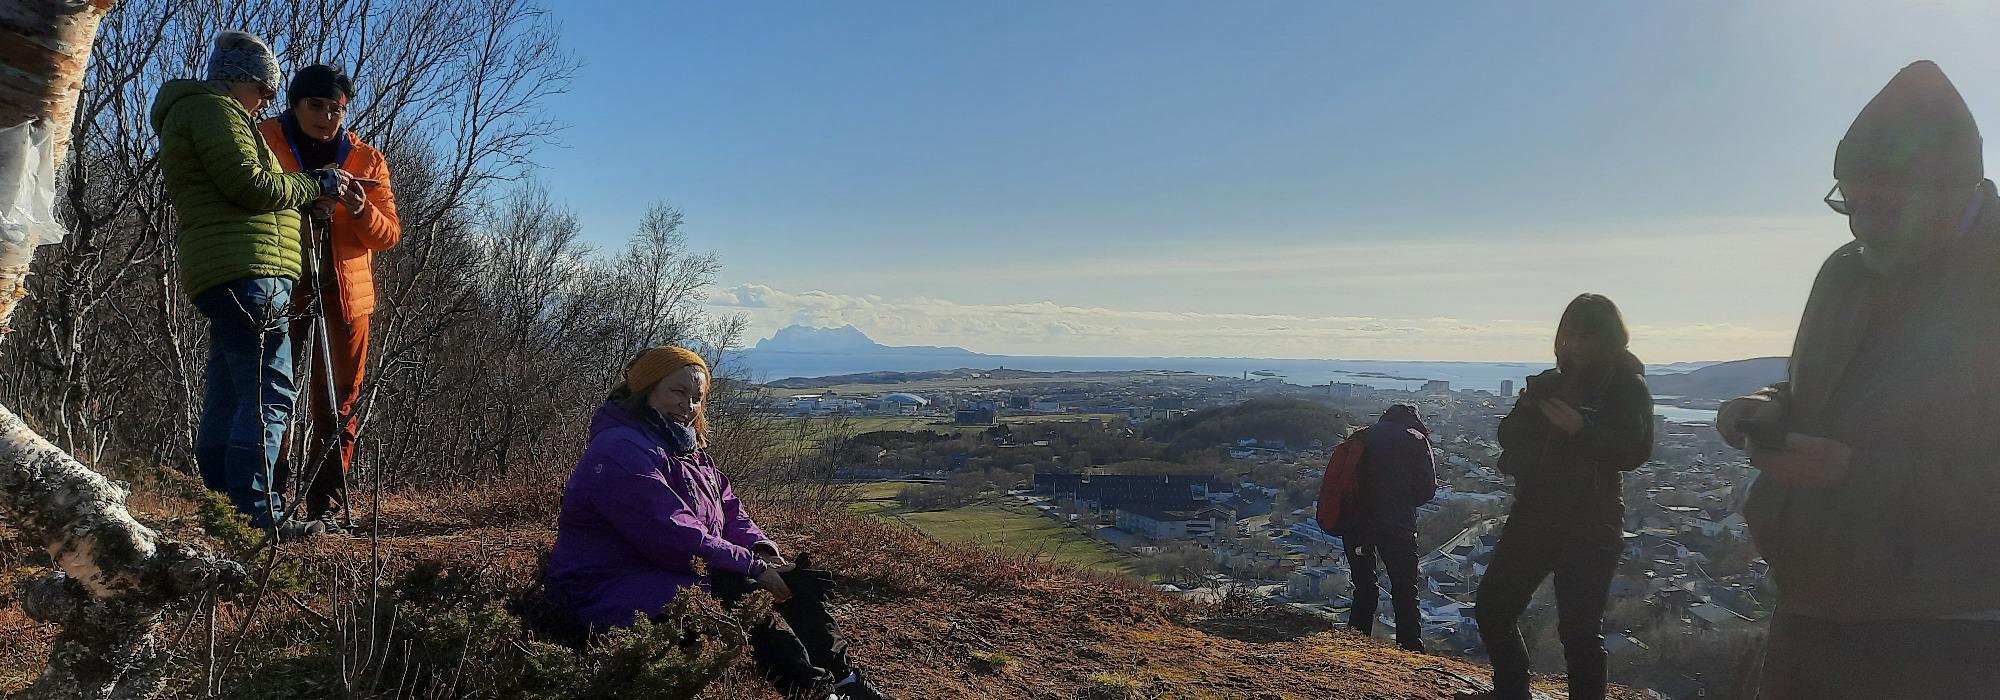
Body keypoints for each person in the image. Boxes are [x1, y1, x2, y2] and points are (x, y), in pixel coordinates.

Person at [1716, 60, 2000, 699]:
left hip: (1951, 624)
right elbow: (1813, 391)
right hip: (1817, 596)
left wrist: (1854, 472)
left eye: (1881, 203)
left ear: (1953, 189)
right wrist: (1766, 409)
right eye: (1847, 200)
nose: (1857, 223)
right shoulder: (1844, 271)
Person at [543, 346, 896, 700]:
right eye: (678, 392)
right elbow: (671, 534)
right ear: (645, 389)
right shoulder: (619, 451)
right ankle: (810, 690)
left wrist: (760, 550)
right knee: (749, 596)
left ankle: (845, 680)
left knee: (795, 586)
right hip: (608, 586)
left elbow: (729, 510)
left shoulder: (685, 448)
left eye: (697, 397)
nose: (689, 406)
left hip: (672, 573)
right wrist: (752, 568)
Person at [152, 31, 358, 539]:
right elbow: (252, 185)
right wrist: (317, 184)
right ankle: (257, 515)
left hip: (226, 271)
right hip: (249, 270)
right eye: (264, 89)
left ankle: (224, 510)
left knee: (229, 391)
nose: (266, 100)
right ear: (239, 79)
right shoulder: (217, 113)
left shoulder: (201, 114)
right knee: (270, 392)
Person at [1463, 294, 1652, 700]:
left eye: (1589, 336)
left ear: (1609, 338)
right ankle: (1511, 691)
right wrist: (1530, 409)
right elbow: (1507, 434)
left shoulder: (1626, 385)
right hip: (1535, 511)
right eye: (1571, 336)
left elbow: (1635, 451)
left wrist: (1582, 431)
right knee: (1493, 608)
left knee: (1579, 631)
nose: (1578, 345)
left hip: (1592, 519)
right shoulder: (1548, 382)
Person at [261, 64, 401, 533]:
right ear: (295, 105)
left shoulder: (366, 160)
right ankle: (267, 497)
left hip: (346, 295)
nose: (326, 117)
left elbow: (388, 235)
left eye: (335, 108)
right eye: (315, 105)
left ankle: (326, 504)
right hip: (280, 282)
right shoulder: (266, 141)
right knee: (271, 392)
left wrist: (359, 208)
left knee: (340, 402)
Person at [1344, 404, 1437, 653]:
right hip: (1397, 526)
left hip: (1355, 524)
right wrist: (1402, 500)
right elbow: (1427, 490)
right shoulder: (1415, 440)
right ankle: (1410, 649)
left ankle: (1355, 644)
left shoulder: (1361, 435)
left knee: (1364, 587)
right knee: (1405, 590)